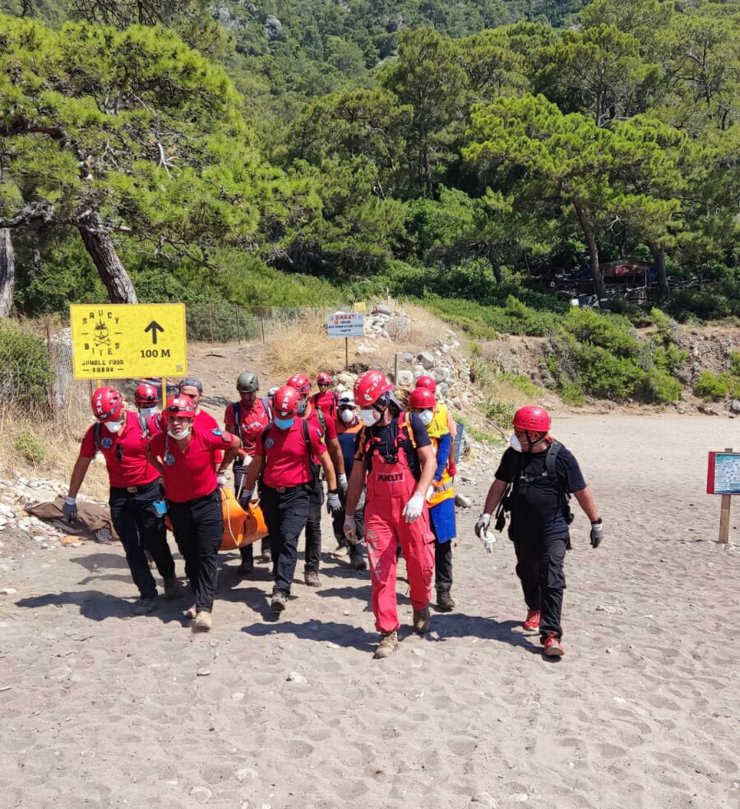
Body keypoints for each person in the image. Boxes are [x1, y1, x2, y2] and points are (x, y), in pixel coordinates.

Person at [474, 405, 604, 658]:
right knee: (527, 570)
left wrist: (596, 522)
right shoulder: (513, 456)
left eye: (519, 432)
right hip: (522, 527)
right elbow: (499, 485)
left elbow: (581, 491)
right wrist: (486, 516)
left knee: (552, 575)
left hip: (553, 528)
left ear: (535, 435)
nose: (515, 436)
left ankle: (551, 635)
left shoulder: (562, 457)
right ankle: (534, 607)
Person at [344, 370, 437, 660]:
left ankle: (421, 604)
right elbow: (358, 477)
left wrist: (419, 496)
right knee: (381, 571)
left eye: (369, 406)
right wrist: (349, 516)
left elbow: (430, 461)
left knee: (421, 563)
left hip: (410, 505)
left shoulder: (410, 425)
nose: (365, 413)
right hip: (378, 510)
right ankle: (387, 632)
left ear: (384, 401)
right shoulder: (364, 435)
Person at [63, 385, 177, 615]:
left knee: (155, 542)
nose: (109, 424)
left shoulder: (146, 424)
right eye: (103, 419)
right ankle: (147, 594)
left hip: (150, 492)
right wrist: (71, 498)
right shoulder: (96, 433)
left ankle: (169, 574)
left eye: (112, 417)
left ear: (122, 406)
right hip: (120, 496)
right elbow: (82, 463)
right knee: (132, 548)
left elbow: (172, 448)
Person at [239, 385, 340, 613]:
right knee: (275, 539)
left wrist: (334, 491)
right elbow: (257, 463)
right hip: (271, 494)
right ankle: (280, 576)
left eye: (287, 415)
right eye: (278, 414)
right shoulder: (266, 432)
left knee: (288, 539)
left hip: (298, 494)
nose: (282, 419)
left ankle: (281, 590)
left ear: (297, 409)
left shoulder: (309, 431)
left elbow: (326, 461)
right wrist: (247, 492)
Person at [146, 395, 241, 632]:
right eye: (172, 419)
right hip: (178, 508)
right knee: (190, 555)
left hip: (207, 504)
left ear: (190, 420)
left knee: (207, 554)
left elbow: (235, 443)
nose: (176, 423)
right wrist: (163, 472)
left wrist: (223, 468)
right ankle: (198, 598)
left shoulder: (207, 434)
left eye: (182, 419)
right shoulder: (160, 442)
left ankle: (204, 608)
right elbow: (148, 453)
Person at [286, 373, 347, 587]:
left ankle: (311, 569)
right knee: (287, 528)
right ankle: (284, 572)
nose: (297, 401)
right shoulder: (284, 418)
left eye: (300, 396)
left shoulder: (322, 419)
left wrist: (339, 479)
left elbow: (335, 448)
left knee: (313, 524)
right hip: (289, 477)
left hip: (313, 477)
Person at [408, 386, 456, 611]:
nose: (424, 414)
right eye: (419, 410)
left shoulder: (442, 429)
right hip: (415, 496)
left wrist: (433, 483)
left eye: (427, 409)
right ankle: (420, 587)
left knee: (443, 543)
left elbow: (443, 456)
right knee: (417, 545)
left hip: (441, 495)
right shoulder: (406, 432)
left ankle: (443, 590)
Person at [224, 371, 272, 575]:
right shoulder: (233, 410)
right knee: (242, 508)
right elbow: (231, 440)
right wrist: (244, 456)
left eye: (250, 393)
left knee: (269, 502)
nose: (247, 398)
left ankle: (268, 546)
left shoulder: (267, 407)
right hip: (244, 462)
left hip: (267, 461)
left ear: (257, 391)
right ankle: (246, 558)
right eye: (243, 394)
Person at [333, 391, 366, 570]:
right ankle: (342, 542)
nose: (346, 411)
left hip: (358, 479)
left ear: (356, 409)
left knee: (357, 515)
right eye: (343, 408)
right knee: (339, 514)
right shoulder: (333, 428)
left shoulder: (362, 427)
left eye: (350, 408)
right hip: (338, 478)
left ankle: (357, 553)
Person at [415, 375, 458, 478]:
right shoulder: (443, 411)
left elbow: (450, 441)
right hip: (433, 471)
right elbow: (451, 442)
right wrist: (452, 464)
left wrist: (451, 464)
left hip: (429, 470)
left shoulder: (409, 412)